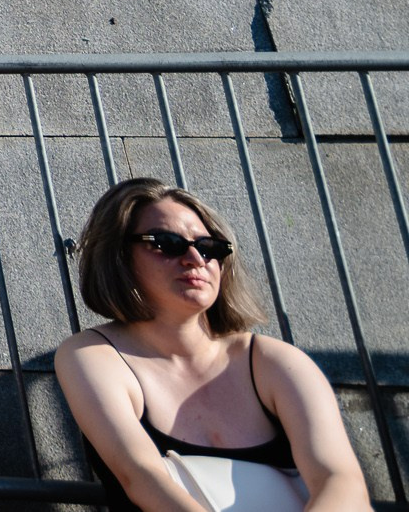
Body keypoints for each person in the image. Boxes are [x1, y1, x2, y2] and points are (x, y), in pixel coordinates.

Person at [55, 178, 368, 512]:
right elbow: (142, 477)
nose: (195, 258)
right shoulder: (92, 355)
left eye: (209, 247)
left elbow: (341, 481)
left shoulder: (273, 360)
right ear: (118, 256)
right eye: (166, 243)